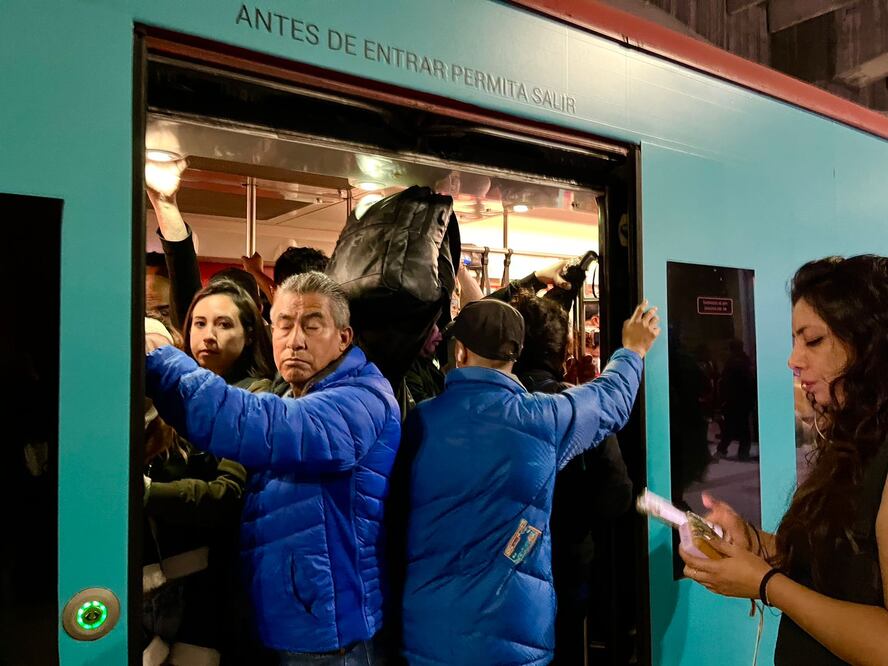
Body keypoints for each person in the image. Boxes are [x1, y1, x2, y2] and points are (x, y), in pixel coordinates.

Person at [145, 271, 401, 664]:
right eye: (284, 325)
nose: (295, 340)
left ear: (343, 338)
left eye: (312, 327)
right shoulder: (294, 391)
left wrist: (160, 356)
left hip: (330, 636)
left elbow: (259, 423)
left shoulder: (361, 398)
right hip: (294, 621)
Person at [399, 297, 659, 665]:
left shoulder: (420, 421)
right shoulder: (542, 417)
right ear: (515, 357)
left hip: (430, 629)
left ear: (459, 354)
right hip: (517, 631)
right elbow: (611, 400)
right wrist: (632, 349)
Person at [680, 255, 888, 665]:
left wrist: (765, 584)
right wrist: (756, 544)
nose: (794, 360)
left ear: (869, 344)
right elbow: (836, 568)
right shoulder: (852, 441)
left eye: (813, 341)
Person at [142, 282, 274, 664]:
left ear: (249, 335)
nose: (208, 336)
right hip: (162, 582)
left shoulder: (255, 398)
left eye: (223, 325)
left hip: (219, 582)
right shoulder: (171, 398)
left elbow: (228, 494)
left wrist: (148, 492)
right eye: (199, 323)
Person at [509, 291, 634, 664]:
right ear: (562, 352)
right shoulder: (577, 409)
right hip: (568, 562)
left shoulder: (487, 408)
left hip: (497, 571)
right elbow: (617, 494)